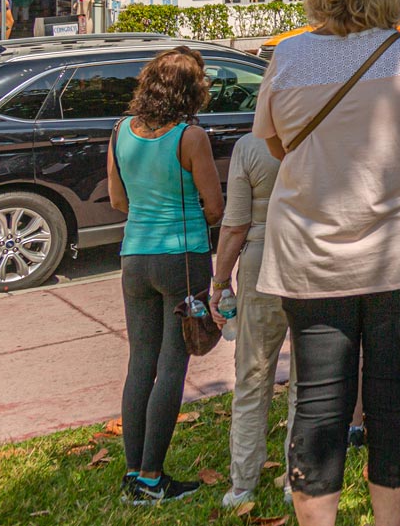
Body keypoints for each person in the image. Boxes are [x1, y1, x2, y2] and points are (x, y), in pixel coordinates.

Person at [253, 0, 400, 526]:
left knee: (318, 400)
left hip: (312, 253)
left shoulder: (289, 58)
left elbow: (273, 144)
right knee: (398, 398)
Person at [105, 47, 223, 503]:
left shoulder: (120, 131)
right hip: (183, 258)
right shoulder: (190, 137)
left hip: (134, 255)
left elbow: (118, 201)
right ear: (192, 91)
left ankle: (133, 473)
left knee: (141, 363)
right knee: (174, 365)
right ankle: (153, 479)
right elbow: (213, 207)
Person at [212, 125, 291, 509]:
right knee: (310, 378)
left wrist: (220, 281)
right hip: (315, 257)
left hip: (261, 261)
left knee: (252, 374)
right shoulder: (319, 135)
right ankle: (299, 476)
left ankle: (242, 481)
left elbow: (235, 225)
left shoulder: (249, 146)